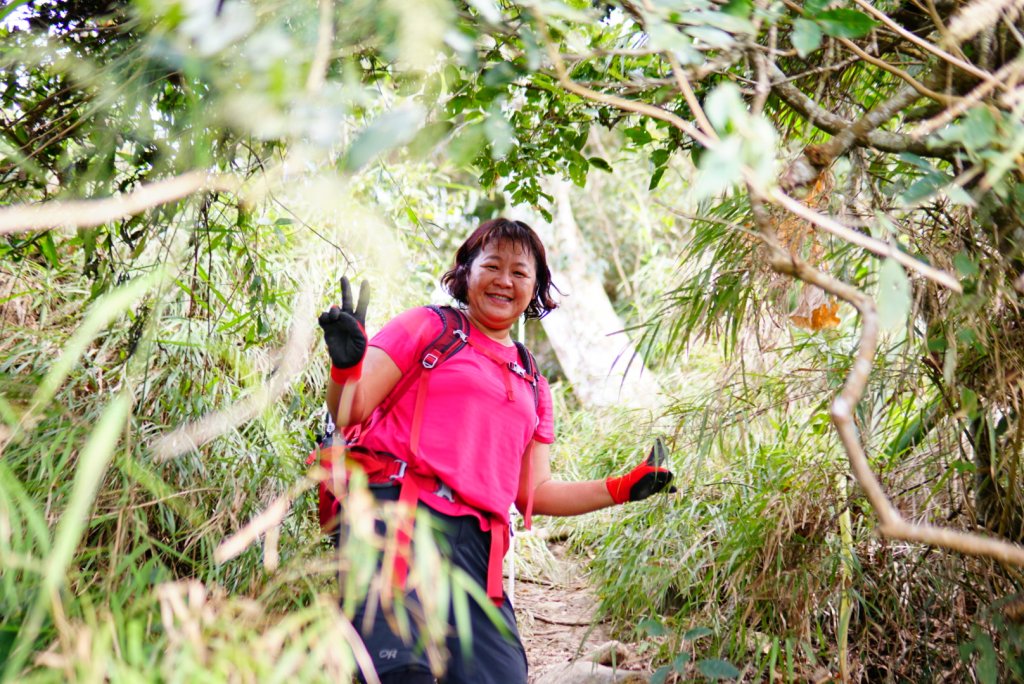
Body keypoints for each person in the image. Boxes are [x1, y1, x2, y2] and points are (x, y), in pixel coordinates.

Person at [318, 217, 675, 684]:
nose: (504, 280)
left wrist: (623, 487)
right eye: (492, 265)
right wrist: (347, 366)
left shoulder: (532, 381)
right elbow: (352, 409)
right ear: (466, 272)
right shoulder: (428, 327)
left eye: (520, 272)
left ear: (536, 288)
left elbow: (536, 492)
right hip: (396, 522)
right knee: (401, 673)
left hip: (479, 549)